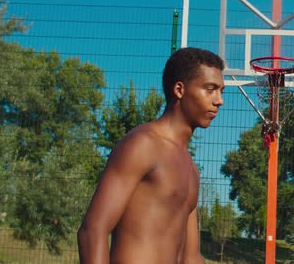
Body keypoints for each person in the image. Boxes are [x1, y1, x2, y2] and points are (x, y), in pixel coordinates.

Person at [77, 47, 225, 264]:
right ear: (179, 89)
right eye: (210, 89)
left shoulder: (191, 168)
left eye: (221, 91)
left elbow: (191, 257)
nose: (219, 100)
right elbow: (92, 231)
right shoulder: (143, 144)